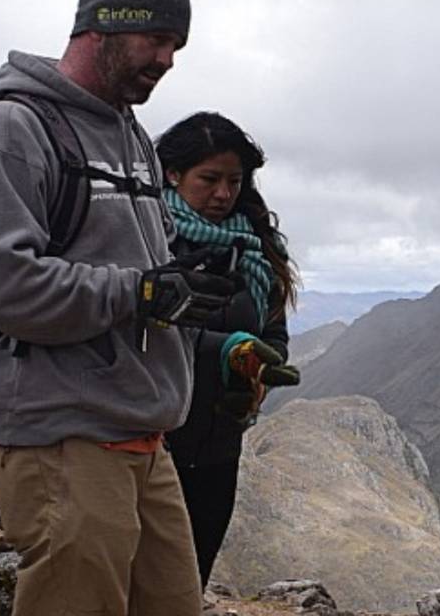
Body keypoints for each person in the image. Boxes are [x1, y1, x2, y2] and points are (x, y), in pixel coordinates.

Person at [0, 0, 282, 615]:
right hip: (64, 438)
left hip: (143, 435)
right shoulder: (14, 131)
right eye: (156, 39)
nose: (166, 60)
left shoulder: (130, 138)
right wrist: (138, 294)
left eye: (176, 46)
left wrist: (187, 305)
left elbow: (142, 276)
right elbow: (3, 284)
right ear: (100, 27)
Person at [156, 111, 301, 587]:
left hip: (220, 442)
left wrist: (258, 370)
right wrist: (227, 349)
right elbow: (148, 329)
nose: (223, 194)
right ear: (174, 174)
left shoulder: (257, 248)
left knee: (191, 578)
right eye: (210, 179)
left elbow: (272, 330)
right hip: (155, 440)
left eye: (234, 181)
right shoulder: (149, 236)